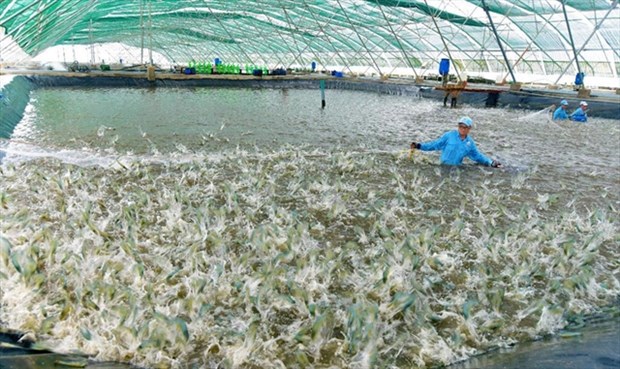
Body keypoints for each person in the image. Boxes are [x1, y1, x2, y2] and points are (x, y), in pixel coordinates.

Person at [410, 116, 502, 167]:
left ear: (469, 128)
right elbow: (434, 145)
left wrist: (491, 163)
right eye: (460, 126)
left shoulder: (470, 143)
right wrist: (419, 146)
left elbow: (478, 156)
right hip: (442, 167)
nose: (462, 129)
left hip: (457, 170)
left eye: (464, 127)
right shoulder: (449, 135)